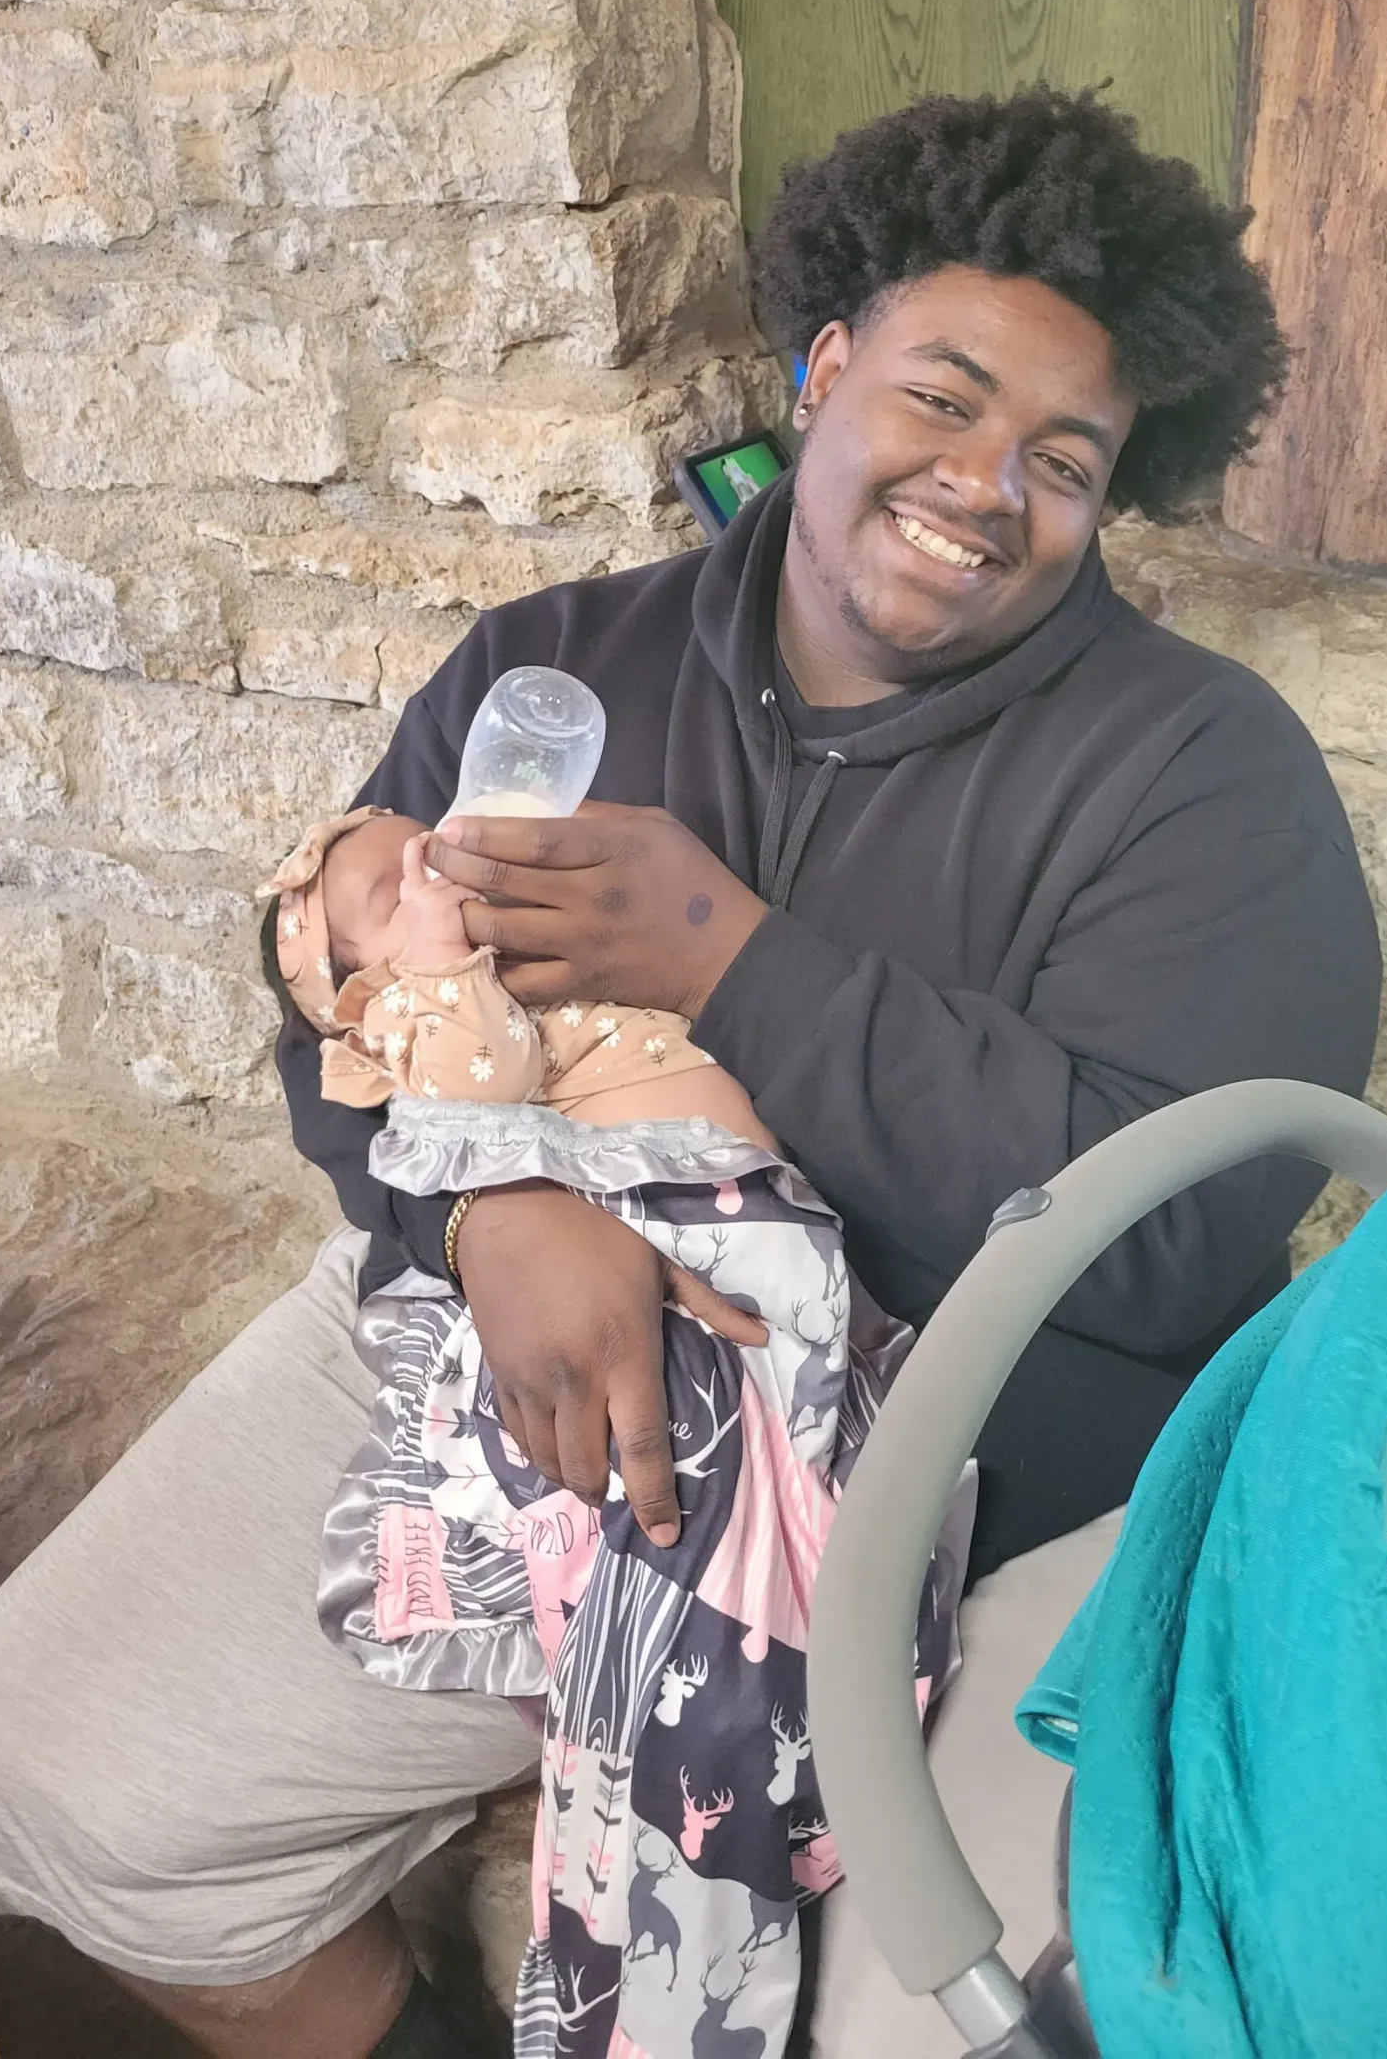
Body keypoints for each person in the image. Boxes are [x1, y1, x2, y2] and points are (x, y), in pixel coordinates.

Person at [0, 88, 1383, 2059]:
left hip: (935, 1489)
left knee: (922, 2016)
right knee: (44, 1766)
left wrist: (729, 957)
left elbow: (1172, 1240)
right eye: (945, 397)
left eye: (1066, 459)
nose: (987, 483)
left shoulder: (1202, 774)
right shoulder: (555, 664)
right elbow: (344, 1002)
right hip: (494, 1356)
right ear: (825, 364)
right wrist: (485, 1204)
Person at [268, 806, 968, 2058]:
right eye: (388, 893)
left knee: (776, 1453)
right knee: (680, 1506)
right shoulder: (431, 1012)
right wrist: (444, 974)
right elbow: (472, 1092)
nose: (430, 858)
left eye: (421, 838)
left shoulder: (526, 955)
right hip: (660, 1247)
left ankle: (788, 1623)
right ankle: (678, 1897)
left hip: (738, 1223)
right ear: (361, 997)